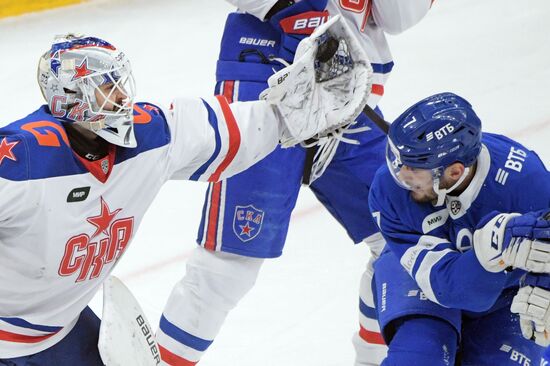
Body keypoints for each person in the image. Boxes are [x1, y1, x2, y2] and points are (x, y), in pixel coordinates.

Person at [0, 30, 365, 364]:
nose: (122, 96)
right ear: (70, 96)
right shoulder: (21, 162)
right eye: (105, 86)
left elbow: (223, 132)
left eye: (118, 82)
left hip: (61, 327)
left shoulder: (148, 137)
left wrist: (288, 113)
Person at [156, 1, 433, 365]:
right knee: (227, 267)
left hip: (350, 90)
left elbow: (397, 17)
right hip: (267, 77)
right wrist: (290, 6)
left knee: (404, 237)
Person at [368, 91, 550, 365]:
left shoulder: (528, 183)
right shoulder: (388, 192)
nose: (401, 178)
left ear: (453, 172)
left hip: (508, 293)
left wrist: (545, 285)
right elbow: (449, 288)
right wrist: (489, 254)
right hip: (418, 278)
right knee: (418, 358)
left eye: (414, 175)